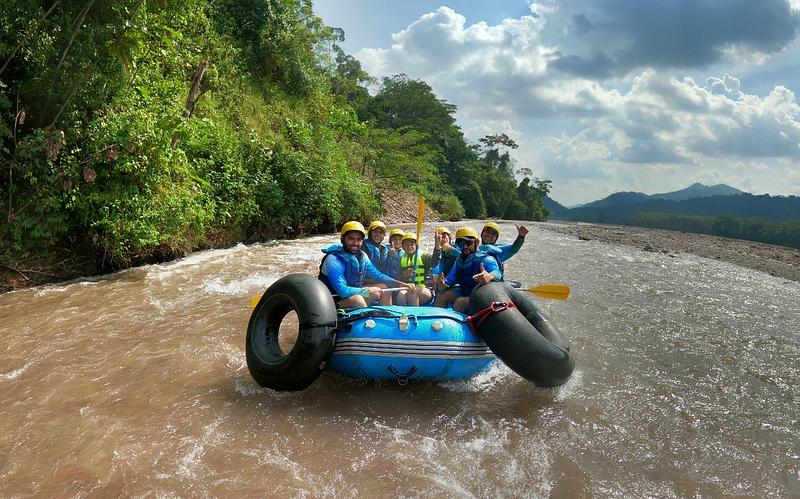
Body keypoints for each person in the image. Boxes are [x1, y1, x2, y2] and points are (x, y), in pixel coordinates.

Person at [318, 221, 415, 308]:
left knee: (384, 287)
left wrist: (401, 284)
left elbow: (378, 275)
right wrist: (366, 290)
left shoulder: (362, 256)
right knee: (358, 300)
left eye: (358, 239)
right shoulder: (333, 260)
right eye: (351, 239)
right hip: (332, 300)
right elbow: (342, 291)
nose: (355, 243)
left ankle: (386, 318)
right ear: (343, 239)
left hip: (353, 293)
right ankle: (365, 325)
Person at [433, 227, 502, 312]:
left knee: (460, 302)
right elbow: (451, 278)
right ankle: (437, 321)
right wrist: (444, 283)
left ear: (476, 242)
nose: (465, 246)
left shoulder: (486, 259)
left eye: (468, 243)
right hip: (466, 292)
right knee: (442, 294)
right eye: (461, 244)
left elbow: (498, 273)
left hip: (484, 296)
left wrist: (490, 275)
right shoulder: (460, 260)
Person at [395, 232, 441, 306]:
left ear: (416, 245)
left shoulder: (423, 256)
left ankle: (414, 315)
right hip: (409, 288)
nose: (409, 247)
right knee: (401, 294)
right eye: (406, 245)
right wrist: (404, 275)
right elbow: (398, 279)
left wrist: (437, 245)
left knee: (412, 292)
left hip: (426, 290)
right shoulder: (401, 259)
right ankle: (402, 316)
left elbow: (434, 262)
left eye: (412, 244)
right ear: (403, 246)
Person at [430, 226, 458, 292]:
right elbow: (439, 265)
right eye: (439, 238)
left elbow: (463, 256)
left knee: (441, 287)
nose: (442, 239)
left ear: (450, 237)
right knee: (435, 277)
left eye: (444, 237)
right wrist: (439, 277)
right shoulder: (441, 251)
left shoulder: (456, 246)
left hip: (456, 276)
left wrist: (451, 249)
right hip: (446, 276)